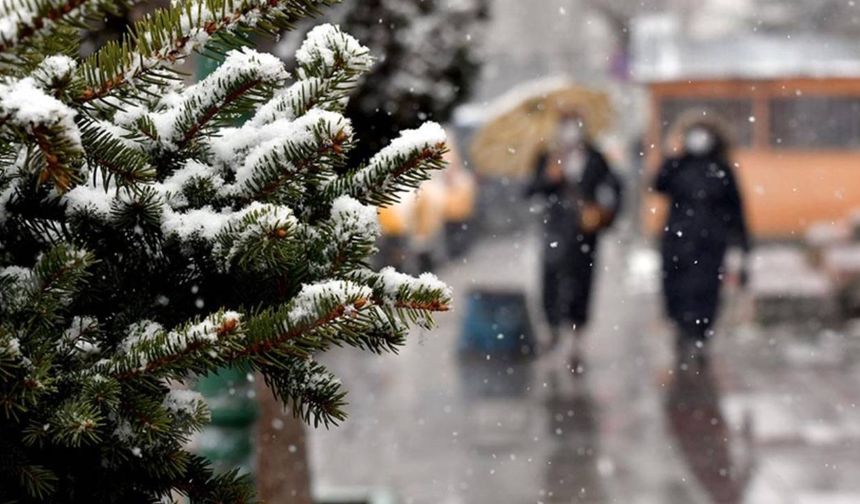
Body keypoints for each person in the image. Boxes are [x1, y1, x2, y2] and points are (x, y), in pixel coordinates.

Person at [526, 112, 623, 360]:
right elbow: (531, 190)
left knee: (582, 281)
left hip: (585, 232)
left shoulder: (596, 157)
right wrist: (549, 178)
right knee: (552, 279)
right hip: (555, 229)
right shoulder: (548, 157)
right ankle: (553, 327)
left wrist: (602, 209)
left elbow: (612, 187)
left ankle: (577, 333)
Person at [655, 118, 750, 364]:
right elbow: (658, 184)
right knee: (676, 287)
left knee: (706, 289)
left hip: (710, 242)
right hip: (677, 239)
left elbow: (736, 208)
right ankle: (681, 328)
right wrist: (672, 156)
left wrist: (741, 243)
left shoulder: (721, 168)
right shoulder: (678, 164)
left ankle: (700, 335)